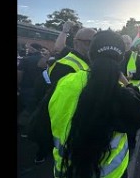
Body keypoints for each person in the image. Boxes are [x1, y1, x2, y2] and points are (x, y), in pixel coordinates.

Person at [49, 30, 140, 178]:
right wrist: (128, 84)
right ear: (121, 58)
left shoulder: (63, 83)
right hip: (109, 174)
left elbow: (39, 129)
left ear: (90, 55)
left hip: (65, 170)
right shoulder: (120, 94)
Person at [28, 21, 97, 164]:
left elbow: (59, 47)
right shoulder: (65, 64)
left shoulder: (85, 58)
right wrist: (64, 30)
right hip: (63, 116)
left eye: (95, 42)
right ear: (76, 42)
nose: (93, 46)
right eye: (88, 42)